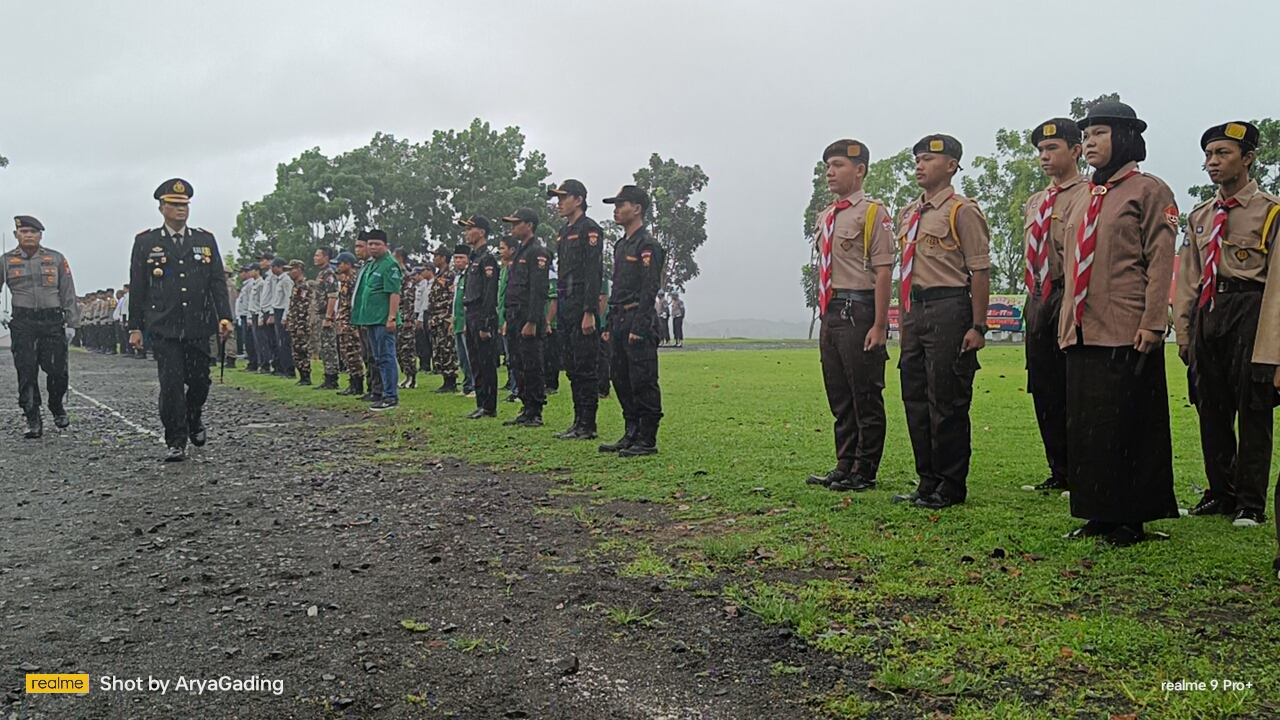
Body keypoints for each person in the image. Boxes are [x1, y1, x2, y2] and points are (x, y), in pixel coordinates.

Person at [1057, 101, 1180, 546]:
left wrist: (1152, 322)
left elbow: (1160, 260)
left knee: (1131, 424)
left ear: (1126, 138)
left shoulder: (1150, 191)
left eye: (1100, 134)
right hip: (1083, 328)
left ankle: (1131, 517)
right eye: (1086, 135)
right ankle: (1097, 512)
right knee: (1089, 426)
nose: (1089, 142)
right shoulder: (1084, 197)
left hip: (1128, 327)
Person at [1174, 121, 1280, 528]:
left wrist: (1272, 347)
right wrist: (1184, 331)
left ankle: (1250, 502)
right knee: (1210, 406)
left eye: (1223, 154)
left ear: (1248, 158)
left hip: (1251, 309)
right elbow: (1188, 277)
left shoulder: (1270, 212)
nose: (1212, 163)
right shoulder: (1201, 215)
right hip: (1209, 311)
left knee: (1253, 408)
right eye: (1208, 155)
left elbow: (1276, 286)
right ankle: (1221, 491)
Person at [892, 134, 991, 509]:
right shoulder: (909, 214)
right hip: (915, 312)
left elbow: (979, 271)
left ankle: (951, 485)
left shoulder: (961, 211)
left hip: (950, 307)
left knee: (946, 400)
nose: (919, 165)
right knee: (915, 397)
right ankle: (926, 480)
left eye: (928, 159)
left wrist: (978, 326)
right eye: (917, 159)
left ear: (951, 165)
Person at [803, 139, 894, 492]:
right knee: (839, 394)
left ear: (860, 170)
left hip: (860, 308)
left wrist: (880, 324)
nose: (830, 171)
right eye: (827, 165)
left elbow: (884, 272)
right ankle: (845, 463)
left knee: (865, 394)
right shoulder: (828, 215)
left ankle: (865, 469)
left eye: (838, 164)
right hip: (832, 311)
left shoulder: (873, 214)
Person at [128, 179, 233, 461]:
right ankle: (176, 439)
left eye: (184, 205)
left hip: (198, 323)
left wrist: (225, 316)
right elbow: (138, 286)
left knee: (200, 382)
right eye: (174, 205)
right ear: (162, 208)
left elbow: (217, 283)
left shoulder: (204, 240)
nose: (181, 210)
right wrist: (135, 327)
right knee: (171, 384)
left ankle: (193, 416)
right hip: (164, 325)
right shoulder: (146, 242)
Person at [1021, 119, 1091, 493]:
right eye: (1040, 151)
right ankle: (1059, 468)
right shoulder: (1036, 201)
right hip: (1038, 297)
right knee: (1044, 383)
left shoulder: (1089, 194)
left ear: (1076, 150)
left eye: (1052, 149)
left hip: (1069, 293)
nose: (1044, 157)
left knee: (1073, 384)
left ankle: (1081, 469)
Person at [600, 186, 665, 456]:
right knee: (620, 377)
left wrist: (639, 326)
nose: (615, 209)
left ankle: (647, 439)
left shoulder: (647, 245)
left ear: (637, 208)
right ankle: (631, 431)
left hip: (638, 316)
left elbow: (649, 288)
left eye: (621, 204)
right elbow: (617, 288)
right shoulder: (621, 244)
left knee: (642, 379)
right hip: (618, 317)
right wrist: (608, 323)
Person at [2, 215, 79, 438]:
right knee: (26, 371)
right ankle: (32, 417)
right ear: (16, 235)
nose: (28, 236)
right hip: (23, 321)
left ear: (40, 235)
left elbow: (67, 290)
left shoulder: (55, 259)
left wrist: (71, 323)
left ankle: (56, 405)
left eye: (33, 232)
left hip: (52, 321)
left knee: (57, 370)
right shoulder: (5, 260)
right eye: (24, 232)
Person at [547, 179, 606, 440]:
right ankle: (578, 420)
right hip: (566, 306)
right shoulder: (563, 231)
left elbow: (593, 273)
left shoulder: (589, 230)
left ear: (579, 200)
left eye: (563, 197)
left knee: (585, 367)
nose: (559, 203)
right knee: (570, 367)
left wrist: (590, 311)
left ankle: (588, 424)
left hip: (582, 306)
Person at [501, 208, 551, 427]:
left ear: (529, 225)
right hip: (514, 315)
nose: (512, 227)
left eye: (516, 223)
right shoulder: (519, 252)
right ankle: (525, 406)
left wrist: (532, 321)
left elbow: (538, 290)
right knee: (516, 363)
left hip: (528, 317)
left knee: (532, 364)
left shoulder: (537, 252)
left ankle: (535, 410)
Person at [350, 229, 402, 410]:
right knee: (378, 358)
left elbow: (394, 293)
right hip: (371, 320)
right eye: (370, 244)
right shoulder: (373, 265)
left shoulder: (390, 265)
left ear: (385, 246)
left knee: (387, 357)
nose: (373, 247)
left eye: (377, 244)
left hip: (383, 320)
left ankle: (391, 396)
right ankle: (383, 394)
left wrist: (391, 318)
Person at [459, 216, 500, 418]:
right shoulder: (473, 259)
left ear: (481, 232)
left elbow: (489, 294)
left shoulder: (487, 259)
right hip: (470, 313)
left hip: (482, 314)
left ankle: (489, 406)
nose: (466, 233)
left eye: (470, 229)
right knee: (475, 361)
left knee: (486, 362)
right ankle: (481, 402)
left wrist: (485, 323)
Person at [333, 251, 365, 396]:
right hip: (344, 322)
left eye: (339, 264)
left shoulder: (353, 280)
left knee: (353, 354)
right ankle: (352, 383)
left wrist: (354, 324)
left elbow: (355, 304)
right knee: (346, 354)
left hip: (350, 322)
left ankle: (357, 384)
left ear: (348, 264)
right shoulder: (346, 281)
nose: (337, 267)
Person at [428, 245, 459, 393]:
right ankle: (445, 379)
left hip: (444, 317)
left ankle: (451, 380)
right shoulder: (439, 275)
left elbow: (452, 297)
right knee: (439, 349)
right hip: (435, 317)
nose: (434, 259)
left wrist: (449, 318)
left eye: (436, 256)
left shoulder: (450, 275)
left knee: (447, 349)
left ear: (443, 258)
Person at [312, 247, 341, 390]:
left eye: (318, 255)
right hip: (320, 314)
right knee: (323, 347)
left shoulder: (329, 273)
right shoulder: (321, 273)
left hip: (326, 315)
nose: (315, 257)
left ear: (326, 258)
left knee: (329, 347)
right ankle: (327, 375)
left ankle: (332, 377)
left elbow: (332, 296)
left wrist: (328, 317)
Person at [392, 248, 419, 389]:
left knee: (407, 347)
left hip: (405, 315)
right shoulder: (395, 274)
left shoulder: (407, 276)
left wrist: (408, 318)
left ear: (400, 259)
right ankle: (405, 375)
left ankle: (412, 377)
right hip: (396, 314)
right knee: (398, 348)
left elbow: (408, 298)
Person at [497, 235, 519, 402]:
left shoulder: (515, 269)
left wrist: (506, 320)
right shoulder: (504, 270)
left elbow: (512, 297)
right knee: (509, 357)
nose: (500, 251)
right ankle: (513, 387)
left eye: (503, 248)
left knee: (514, 356)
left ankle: (517, 390)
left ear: (512, 250)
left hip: (511, 317)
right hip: (502, 317)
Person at [451, 245, 475, 396]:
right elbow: (456, 301)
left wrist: (467, 322)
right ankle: (466, 385)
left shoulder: (470, 276)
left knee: (470, 355)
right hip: (458, 321)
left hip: (467, 321)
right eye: (456, 258)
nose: (458, 261)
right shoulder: (458, 277)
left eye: (461, 258)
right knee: (462, 357)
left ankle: (473, 386)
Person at [284, 259, 312, 385]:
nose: (289, 273)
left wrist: (301, 325)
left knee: (301, 350)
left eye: (292, 269)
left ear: (299, 269)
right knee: (296, 350)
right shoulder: (296, 286)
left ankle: (306, 376)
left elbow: (304, 307)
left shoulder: (303, 286)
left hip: (300, 324)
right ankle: (302, 375)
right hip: (294, 323)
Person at [268, 257, 296, 379]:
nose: (271, 269)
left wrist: (285, 316)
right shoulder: (279, 280)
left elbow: (288, 299)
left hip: (282, 312)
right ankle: (283, 368)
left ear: (279, 267)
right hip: (277, 311)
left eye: (273, 266)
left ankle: (289, 370)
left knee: (284, 342)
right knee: (279, 342)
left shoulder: (286, 280)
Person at [255, 253, 278, 373]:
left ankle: (277, 365)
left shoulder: (273, 277)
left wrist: (272, 313)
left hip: (270, 310)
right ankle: (273, 365)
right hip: (265, 310)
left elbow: (274, 296)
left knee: (273, 340)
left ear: (270, 261)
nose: (260, 263)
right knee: (268, 340)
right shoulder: (267, 276)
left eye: (262, 260)